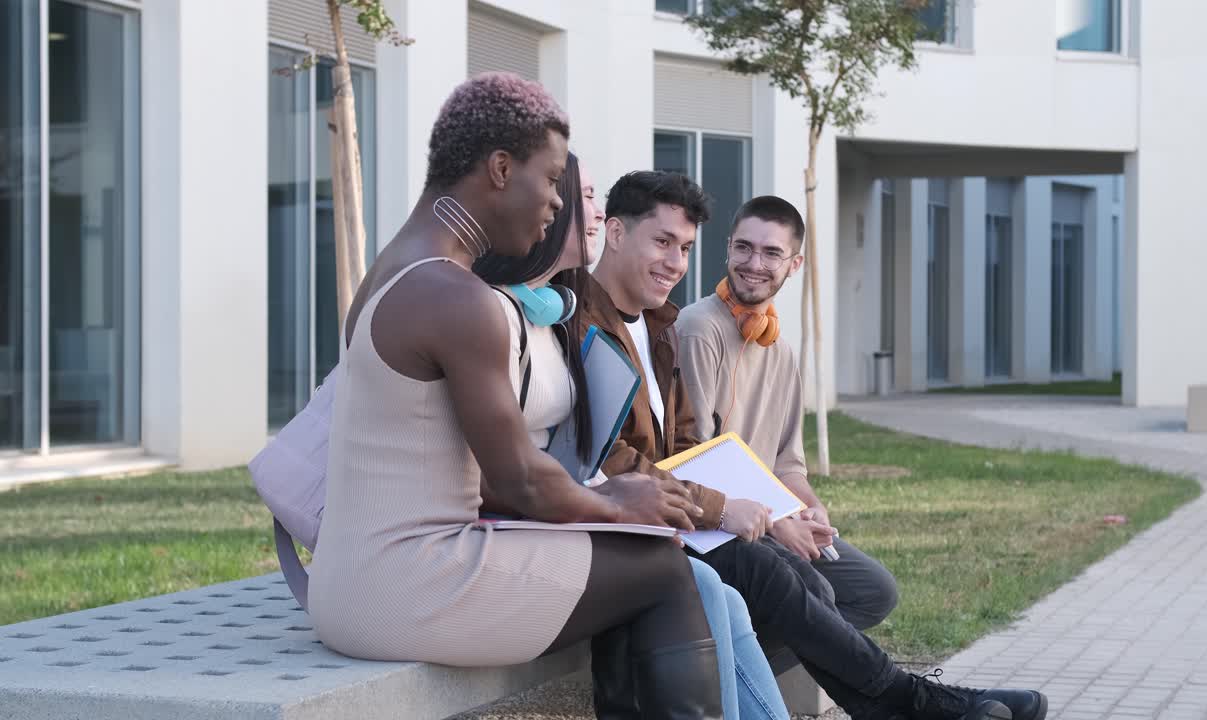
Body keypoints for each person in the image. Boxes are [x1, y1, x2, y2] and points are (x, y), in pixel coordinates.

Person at [306, 73, 722, 719]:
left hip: (353, 580)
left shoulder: (394, 267)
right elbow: (520, 480)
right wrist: (616, 501)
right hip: (405, 586)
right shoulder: (454, 295)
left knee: (636, 566)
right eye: (551, 179)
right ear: (501, 169)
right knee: (661, 568)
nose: (558, 202)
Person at [577, 170, 1046, 720]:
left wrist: (793, 509)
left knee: (818, 586)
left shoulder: (660, 326)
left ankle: (898, 703)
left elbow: (688, 446)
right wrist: (727, 509)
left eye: (684, 248)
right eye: (663, 242)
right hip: (644, 525)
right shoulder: (601, 323)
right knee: (781, 579)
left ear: (793, 264)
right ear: (614, 232)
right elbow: (610, 455)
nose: (676, 262)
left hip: (692, 514)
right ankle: (914, 702)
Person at [473, 152, 788, 720]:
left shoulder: (557, 311)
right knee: (695, 580)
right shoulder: (514, 316)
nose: (596, 213)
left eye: (685, 248)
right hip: (521, 527)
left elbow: (672, 445)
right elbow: (523, 467)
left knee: (734, 589)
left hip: (585, 511)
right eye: (585, 197)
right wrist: (622, 505)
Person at [675, 195, 899, 633]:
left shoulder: (780, 349)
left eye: (771, 253)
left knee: (875, 591)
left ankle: (765, 650)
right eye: (744, 247)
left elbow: (787, 464)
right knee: (818, 594)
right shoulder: (698, 329)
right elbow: (694, 458)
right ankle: (753, 656)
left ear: (794, 264)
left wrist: (811, 509)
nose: (754, 263)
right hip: (716, 522)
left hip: (770, 516)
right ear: (728, 248)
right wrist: (779, 522)